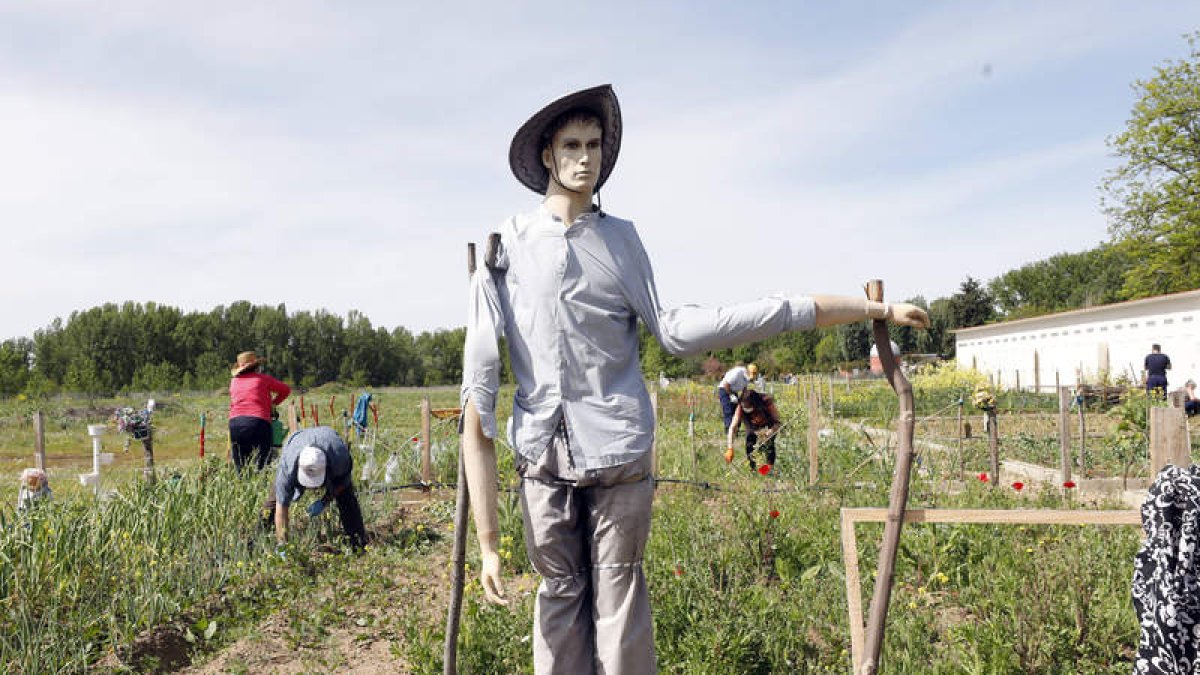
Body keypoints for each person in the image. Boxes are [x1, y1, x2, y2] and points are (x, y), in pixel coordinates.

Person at [460, 84, 928, 674]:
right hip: (541, 459)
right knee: (558, 604)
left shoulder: (620, 240)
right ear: (548, 157)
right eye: (572, 146)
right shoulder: (509, 247)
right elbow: (477, 395)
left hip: (618, 453)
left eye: (596, 145)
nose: (586, 157)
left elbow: (682, 329)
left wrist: (872, 312)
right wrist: (488, 543)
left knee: (618, 604)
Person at [271, 425, 366, 552]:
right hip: (297, 443)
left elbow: (344, 482)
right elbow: (281, 506)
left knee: (347, 498)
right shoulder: (288, 468)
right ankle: (259, 534)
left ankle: (358, 543)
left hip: (329, 444)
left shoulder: (339, 458)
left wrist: (325, 500)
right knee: (275, 499)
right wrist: (283, 544)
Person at [228, 351, 291, 472]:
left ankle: (242, 486)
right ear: (256, 367)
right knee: (262, 463)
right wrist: (273, 403)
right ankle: (261, 486)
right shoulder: (263, 379)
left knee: (240, 465)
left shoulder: (234, 382)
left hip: (235, 423)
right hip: (258, 422)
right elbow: (285, 390)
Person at [725, 387, 782, 470]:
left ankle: (766, 470)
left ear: (755, 404)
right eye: (744, 406)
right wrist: (730, 448)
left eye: (748, 406)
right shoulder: (741, 406)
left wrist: (770, 431)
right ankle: (753, 469)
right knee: (750, 444)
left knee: (768, 446)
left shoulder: (766, 402)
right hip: (752, 426)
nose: (746, 408)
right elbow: (733, 427)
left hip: (768, 425)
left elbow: (777, 422)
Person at [717, 363, 757, 432]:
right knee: (728, 410)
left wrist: (743, 399)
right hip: (725, 390)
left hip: (733, 391)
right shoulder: (737, 373)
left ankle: (736, 429)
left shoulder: (748, 377)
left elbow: (744, 388)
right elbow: (726, 384)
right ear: (746, 371)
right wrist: (731, 396)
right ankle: (729, 430)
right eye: (750, 374)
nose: (751, 377)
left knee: (737, 411)